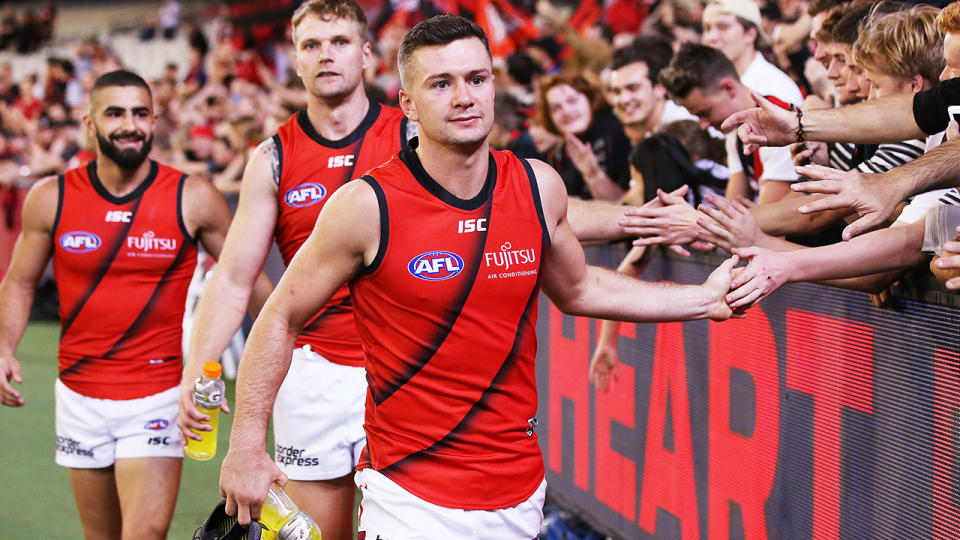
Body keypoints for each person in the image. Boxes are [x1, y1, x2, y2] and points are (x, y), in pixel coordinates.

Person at [218, 14, 740, 539]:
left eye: (476, 78)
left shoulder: (538, 186)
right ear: (408, 104)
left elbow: (583, 288)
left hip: (519, 491)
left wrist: (706, 298)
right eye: (441, 84)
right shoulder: (365, 206)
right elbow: (280, 315)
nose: (464, 97)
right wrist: (244, 446)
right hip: (410, 497)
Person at [178, 2, 412, 538]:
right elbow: (234, 276)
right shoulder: (273, 157)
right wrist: (200, 363)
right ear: (295, 61)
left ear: (367, 54)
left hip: (404, 365)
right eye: (311, 45)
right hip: (311, 371)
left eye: (339, 42)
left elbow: (507, 205)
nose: (326, 54)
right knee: (320, 535)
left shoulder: (412, 137)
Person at [0, 70, 237, 539]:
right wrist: (5, 347)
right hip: (78, 395)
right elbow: (21, 282)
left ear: (154, 121)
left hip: (159, 395)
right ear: (89, 122)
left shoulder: (194, 197)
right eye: (115, 113)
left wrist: (298, 336)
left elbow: (242, 278)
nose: (129, 124)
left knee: (144, 534)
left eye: (140, 113)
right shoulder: (51, 197)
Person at [721, 0, 960, 241]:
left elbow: (902, 253)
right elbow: (923, 246)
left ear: (914, 85)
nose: (862, 88)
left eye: (870, 80)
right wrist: (801, 126)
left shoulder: (919, 141)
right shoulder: (937, 135)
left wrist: (732, 229)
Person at [658, 42, 799, 205]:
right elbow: (733, 204)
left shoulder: (778, 117)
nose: (703, 125)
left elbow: (772, 219)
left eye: (705, 113)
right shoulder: (735, 128)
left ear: (728, 88)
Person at [533, 72, 632, 201]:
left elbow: (622, 205)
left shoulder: (613, 133)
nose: (566, 111)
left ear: (590, 99)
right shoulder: (573, 142)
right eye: (556, 108)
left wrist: (594, 175)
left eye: (572, 101)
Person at [701, 0, 803, 106]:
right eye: (707, 28)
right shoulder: (705, 82)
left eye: (723, 27)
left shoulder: (776, 88)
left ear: (750, 34)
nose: (711, 37)